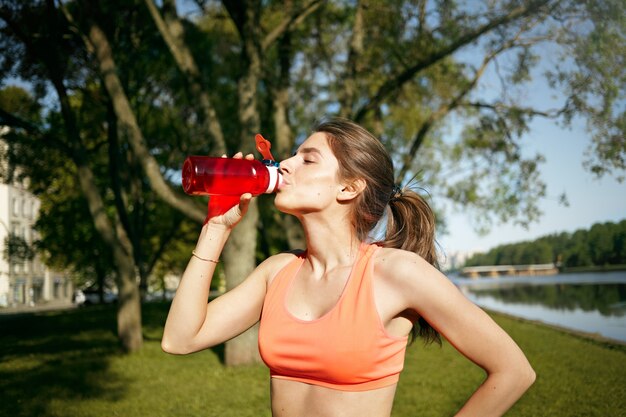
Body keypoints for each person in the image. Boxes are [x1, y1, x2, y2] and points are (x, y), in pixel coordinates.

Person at [162, 118, 535, 417]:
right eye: (292, 156)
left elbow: (514, 371)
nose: (285, 165)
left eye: (307, 159)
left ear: (349, 188)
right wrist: (215, 228)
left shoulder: (396, 273)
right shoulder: (277, 271)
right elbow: (180, 339)